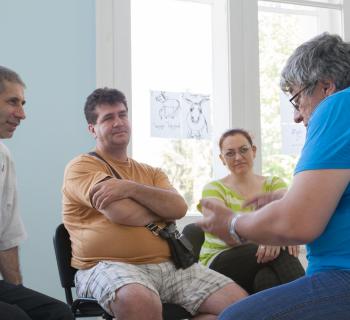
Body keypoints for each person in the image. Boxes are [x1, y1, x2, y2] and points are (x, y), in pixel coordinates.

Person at [197, 32, 350, 320]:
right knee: (267, 283)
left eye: (296, 98)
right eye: (229, 153)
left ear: (327, 87)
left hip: (343, 274)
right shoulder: (215, 186)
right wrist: (289, 199)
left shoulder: (338, 106)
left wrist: (232, 223)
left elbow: (297, 223)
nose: (296, 116)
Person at [62, 87, 248, 320]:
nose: (118, 122)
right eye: (108, 118)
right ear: (92, 129)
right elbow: (122, 213)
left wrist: (130, 188)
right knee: (139, 301)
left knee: (241, 307)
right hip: (107, 266)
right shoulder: (82, 167)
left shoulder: (150, 172)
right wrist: (160, 210)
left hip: (171, 267)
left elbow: (178, 208)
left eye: (122, 114)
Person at [0, 66, 73, 319]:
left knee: (58, 314)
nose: (22, 114)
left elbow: (7, 236)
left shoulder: (3, 157)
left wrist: (17, 295)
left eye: (22, 103)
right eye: (12, 102)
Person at [198, 128, 304, 294]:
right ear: (222, 159)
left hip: (258, 259)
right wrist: (272, 237)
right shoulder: (214, 188)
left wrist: (277, 236)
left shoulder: (273, 183)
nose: (238, 157)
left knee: (266, 279)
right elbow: (226, 231)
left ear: (253, 151)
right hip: (218, 262)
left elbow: (289, 214)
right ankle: (317, 308)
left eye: (243, 150)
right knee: (281, 251)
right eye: (230, 153)